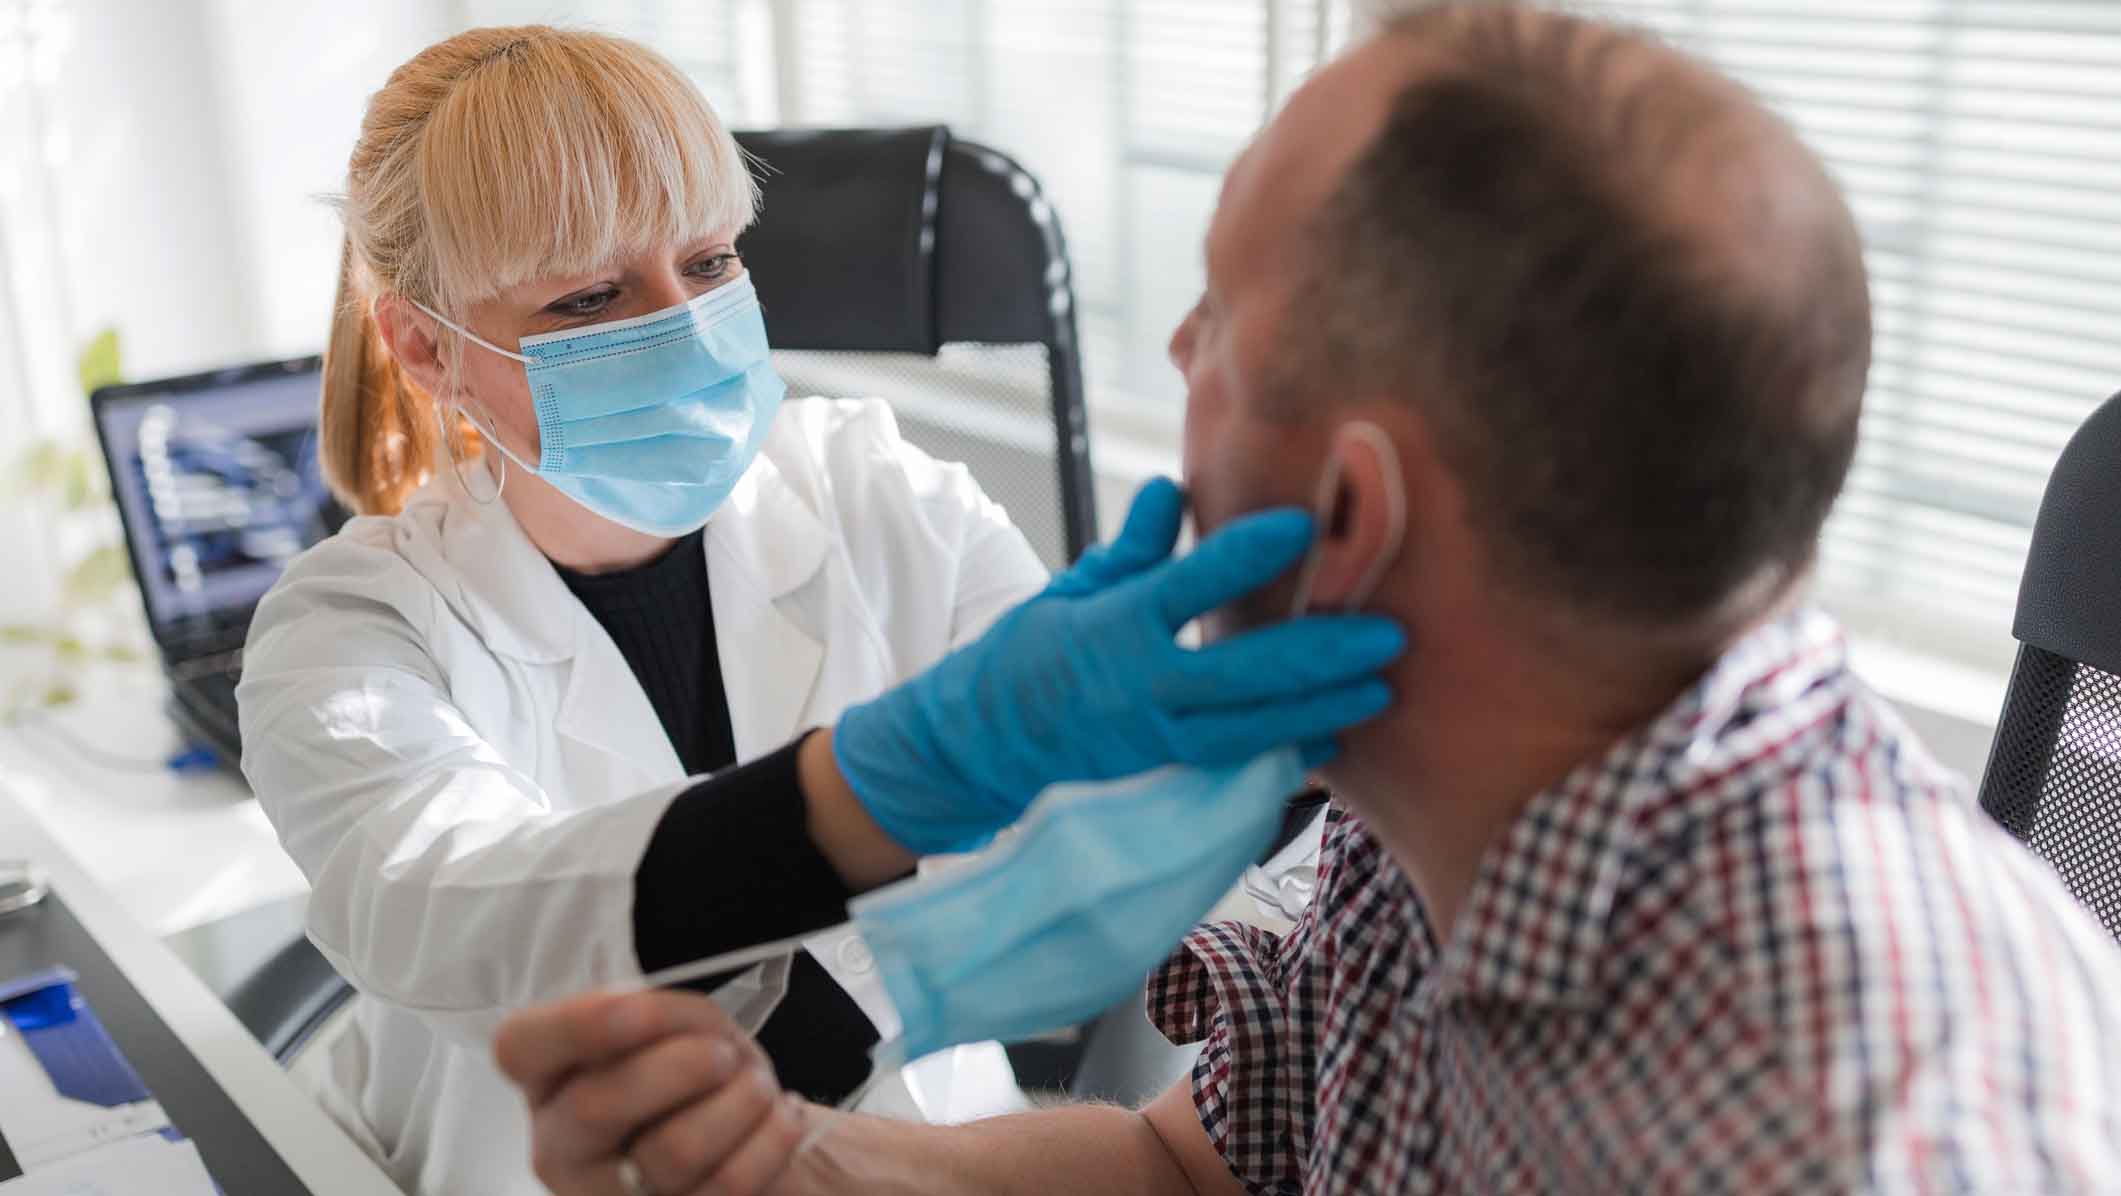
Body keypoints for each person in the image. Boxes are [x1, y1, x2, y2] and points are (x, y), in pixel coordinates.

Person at [494, 4, 2121, 1194]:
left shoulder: (1855, 1111)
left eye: (1216, 317)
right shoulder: (1438, 803)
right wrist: (789, 1160)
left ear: (1349, 514)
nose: (1176, 353)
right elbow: (1182, 1167)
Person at [235, 25, 1405, 1196]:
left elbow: (1074, 810)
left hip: (933, 1156)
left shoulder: (879, 491)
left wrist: (1232, 755)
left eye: (708, 261)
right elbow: (455, 914)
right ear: (427, 346)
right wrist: (884, 786)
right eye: (589, 297)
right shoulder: (347, 632)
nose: (680, 322)